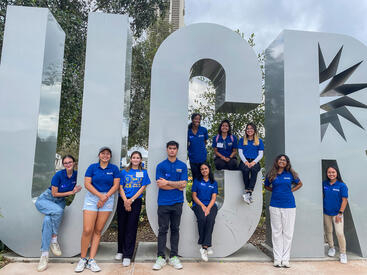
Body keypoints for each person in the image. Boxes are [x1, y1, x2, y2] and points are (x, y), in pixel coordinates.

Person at [75, 147, 120, 273]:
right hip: (92, 198)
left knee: (98, 230)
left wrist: (105, 198)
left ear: (110, 156)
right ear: (99, 155)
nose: (105, 156)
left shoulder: (114, 169)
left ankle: (91, 260)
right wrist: (100, 196)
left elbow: (116, 185)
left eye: (108, 154)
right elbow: (87, 184)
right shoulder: (92, 167)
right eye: (103, 153)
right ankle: (82, 259)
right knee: (87, 229)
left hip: (108, 199)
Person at [35, 155, 82, 272]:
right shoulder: (58, 175)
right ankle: (54, 239)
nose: (68, 164)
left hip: (60, 201)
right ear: (63, 164)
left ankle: (44, 255)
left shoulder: (77, 175)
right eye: (65, 163)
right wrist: (72, 192)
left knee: (47, 221)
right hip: (46, 199)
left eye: (70, 162)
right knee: (58, 211)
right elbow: (55, 193)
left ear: (74, 163)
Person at [152, 141, 188, 270]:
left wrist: (168, 182)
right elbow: (161, 185)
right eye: (170, 148)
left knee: (175, 229)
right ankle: (160, 258)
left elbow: (184, 185)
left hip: (177, 203)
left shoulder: (182, 166)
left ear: (177, 150)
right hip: (163, 203)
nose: (172, 150)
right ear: (167, 150)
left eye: (174, 148)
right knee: (162, 230)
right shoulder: (161, 166)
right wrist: (175, 185)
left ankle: (174, 257)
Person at [264, 154, 302, 268]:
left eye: (284, 160)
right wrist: (275, 190)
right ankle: (277, 259)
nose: (282, 161)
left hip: (289, 206)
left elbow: (300, 183)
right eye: (280, 159)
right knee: (276, 233)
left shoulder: (291, 174)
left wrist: (290, 191)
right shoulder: (272, 174)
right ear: (277, 161)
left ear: (287, 163)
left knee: (288, 233)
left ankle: (285, 260)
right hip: (275, 205)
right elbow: (266, 186)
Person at [115, 151, 151, 267]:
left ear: (140, 160)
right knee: (122, 226)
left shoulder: (143, 172)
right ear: (130, 159)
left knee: (131, 227)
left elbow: (142, 187)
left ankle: (127, 255)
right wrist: (125, 200)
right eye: (133, 157)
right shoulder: (124, 172)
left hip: (135, 202)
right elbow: (120, 187)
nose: (135, 159)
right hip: (122, 201)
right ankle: (120, 251)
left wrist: (131, 200)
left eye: (138, 158)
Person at [192, 162, 218, 262]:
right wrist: (203, 206)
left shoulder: (213, 182)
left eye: (205, 168)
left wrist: (208, 208)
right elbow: (194, 196)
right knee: (202, 218)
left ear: (209, 169)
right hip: (198, 205)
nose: (204, 170)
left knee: (210, 219)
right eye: (202, 169)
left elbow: (214, 198)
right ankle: (206, 246)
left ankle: (204, 247)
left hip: (211, 205)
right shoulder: (197, 181)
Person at [323, 165, 348, 264]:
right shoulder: (324, 184)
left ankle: (343, 253)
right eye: (329, 172)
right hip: (326, 212)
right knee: (328, 231)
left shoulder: (342, 185)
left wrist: (340, 213)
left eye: (333, 172)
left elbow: (344, 200)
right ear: (327, 174)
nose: (331, 174)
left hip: (337, 214)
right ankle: (331, 248)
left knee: (339, 233)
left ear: (337, 173)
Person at [238, 123, 264, 204]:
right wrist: (245, 162)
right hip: (244, 161)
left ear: (254, 130)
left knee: (254, 169)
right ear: (246, 130)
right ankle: (248, 192)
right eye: (248, 128)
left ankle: (248, 192)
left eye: (251, 128)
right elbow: (240, 152)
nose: (249, 130)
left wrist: (253, 162)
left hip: (254, 161)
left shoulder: (259, 141)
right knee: (245, 169)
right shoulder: (242, 140)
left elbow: (261, 154)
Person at [188, 113, 208, 180]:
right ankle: (195, 190)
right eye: (196, 119)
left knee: (204, 177)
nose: (197, 121)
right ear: (192, 119)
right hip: (193, 159)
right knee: (195, 178)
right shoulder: (188, 131)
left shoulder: (203, 130)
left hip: (202, 158)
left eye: (199, 119)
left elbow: (205, 142)